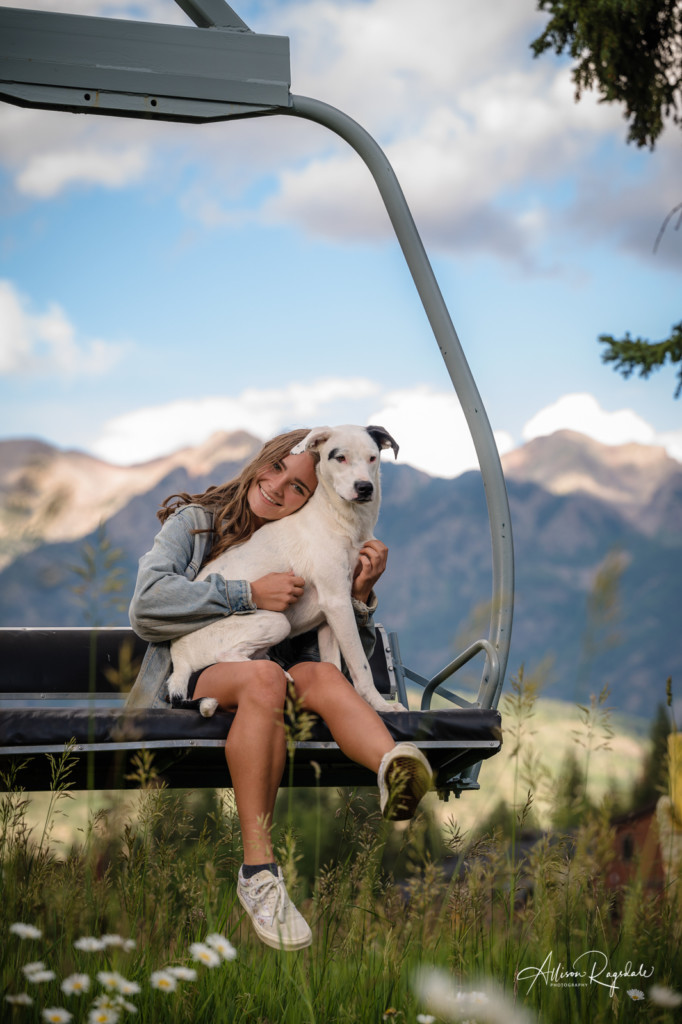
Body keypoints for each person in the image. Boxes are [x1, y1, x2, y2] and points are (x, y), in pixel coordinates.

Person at [126, 427, 432, 951]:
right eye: (277, 472)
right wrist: (247, 592)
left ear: (313, 499)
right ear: (261, 462)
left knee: (319, 675)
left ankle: (393, 765)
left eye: (298, 489)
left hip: (270, 667)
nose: (280, 489)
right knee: (268, 675)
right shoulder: (194, 523)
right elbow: (146, 608)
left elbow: (321, 621)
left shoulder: (306, 529)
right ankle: (259, 871)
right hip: (198, 672)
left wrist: (358, 594)